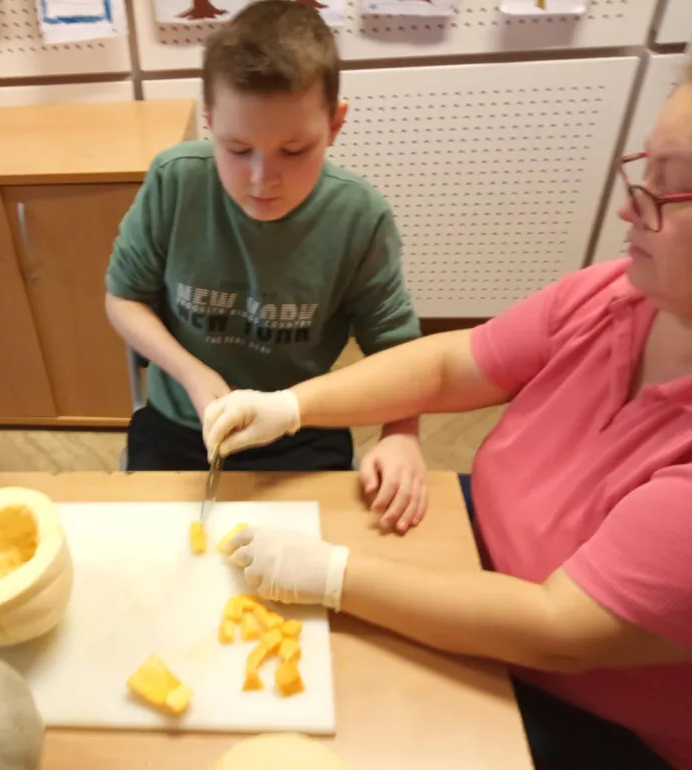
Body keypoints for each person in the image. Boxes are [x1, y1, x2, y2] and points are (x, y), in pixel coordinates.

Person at [199, 66, 692, 770]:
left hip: (583, 710)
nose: (627, 211)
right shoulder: (615, 295)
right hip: (472, 554)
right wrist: (291, 406)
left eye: (669, 189)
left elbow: (558, 630)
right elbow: (447, 364)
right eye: (643, 172)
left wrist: (332, 575)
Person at [103, 0, 428, 531]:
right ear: (210, 121)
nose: (262, 180)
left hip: (303, 422)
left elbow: (399, 352)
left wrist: (402, 435)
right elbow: (124, 298)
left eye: (294, 151)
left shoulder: (358, 216)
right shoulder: (174, 182)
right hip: (181, 420)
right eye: (237, 149)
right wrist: (192, 373)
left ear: (335, 124)